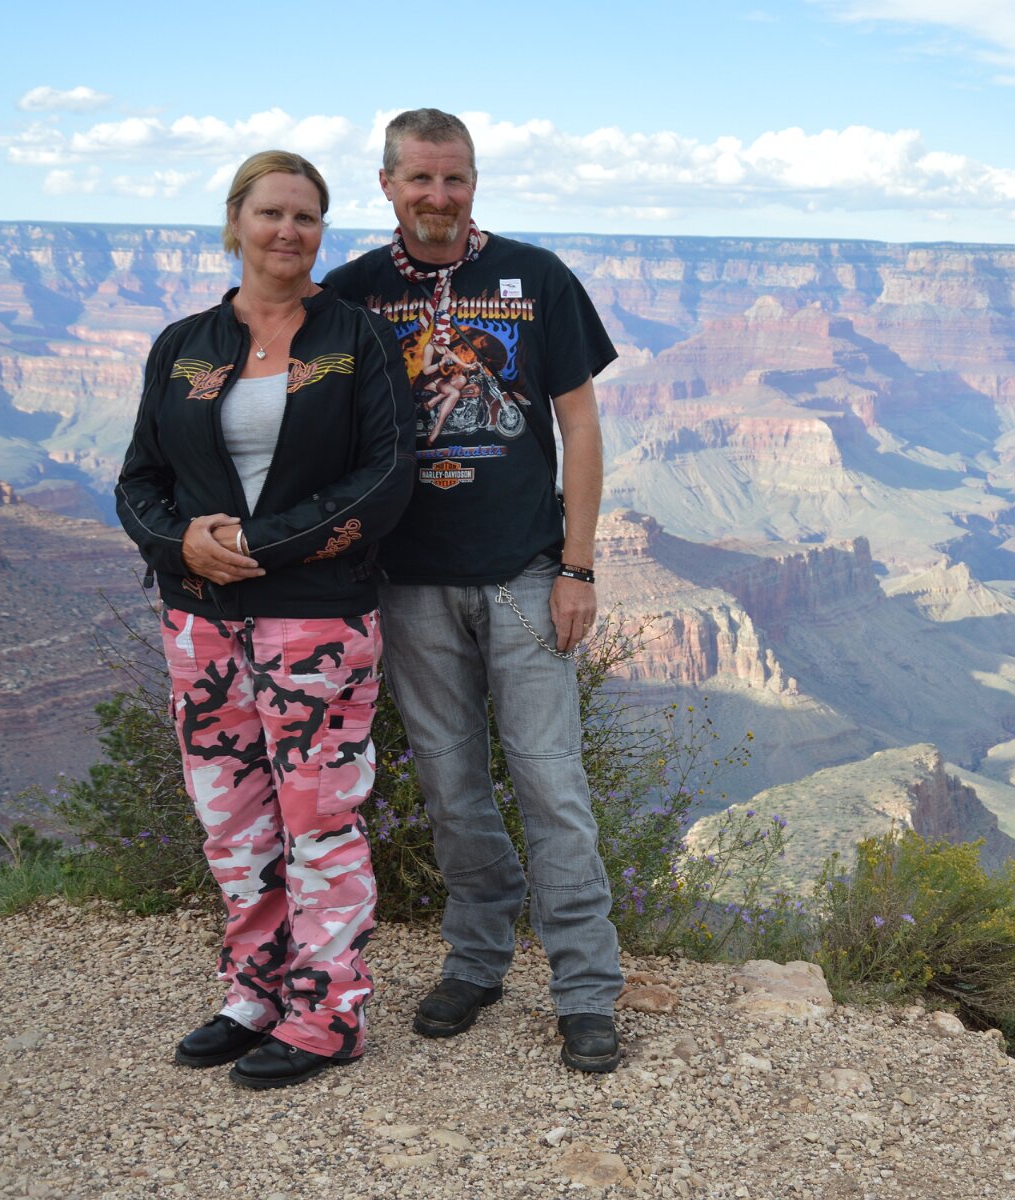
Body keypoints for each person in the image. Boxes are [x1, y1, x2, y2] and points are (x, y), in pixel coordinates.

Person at [323, 108, 625, 1072]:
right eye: (420, 178)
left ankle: (585, 989)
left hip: (525, 576)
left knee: (551, 785)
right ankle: (477, 960)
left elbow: (580, 427)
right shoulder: (353, 292)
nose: (438, 196)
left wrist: (577, 566)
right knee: (452, 790)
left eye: (454, 178)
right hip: (409, 584)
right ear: (387, 184)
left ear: (474, 182)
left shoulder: (537, 278)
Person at [116, 150, 415, 1090]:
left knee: (319, 819)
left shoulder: (356, 339)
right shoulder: (185, 344)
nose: (289, 231)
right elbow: (138, 480)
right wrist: (180, 546)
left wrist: (254, 544)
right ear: (236, 221)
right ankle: (255, 991)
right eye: (272, 212)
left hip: (316, 621)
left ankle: (329, 1012)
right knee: (232, 820)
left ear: (322, 232)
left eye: (307, 216)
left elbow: (384, 476)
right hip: (200, 622)